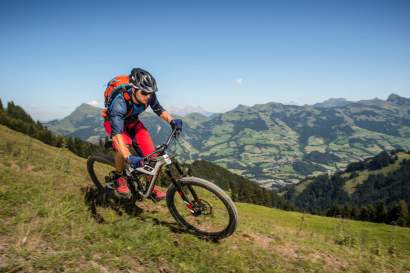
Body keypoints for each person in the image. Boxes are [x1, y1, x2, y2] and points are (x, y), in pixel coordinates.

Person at [102, 68, 183, 200]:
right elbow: (117, 134)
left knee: (151, 154)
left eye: (150, 93)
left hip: (132, 122)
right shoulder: (119, 103)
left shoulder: (148, 94)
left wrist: (172, 121)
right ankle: (118, 177)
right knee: (123, 147)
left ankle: (150, 188)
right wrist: (128, 157)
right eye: (144, 93)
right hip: (114, 124)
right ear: (134, 89)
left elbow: (159, 109)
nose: (148, 97)